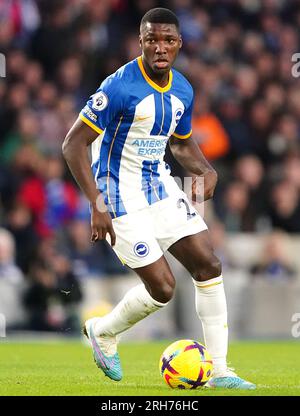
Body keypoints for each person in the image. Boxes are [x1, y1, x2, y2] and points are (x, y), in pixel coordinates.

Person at [62, 8, 255, 389]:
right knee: (163, 289)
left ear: (179, 44)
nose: (160, 47)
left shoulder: (183, 88)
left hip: (160, 186)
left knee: (209, 265)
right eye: (152, 39)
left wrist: (206, 170)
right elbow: (72, 145)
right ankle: (102, 332)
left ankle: (220, 371)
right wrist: (96, 202)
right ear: (141, 42)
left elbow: (180, 143)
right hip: (116, 195)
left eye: (168, 40)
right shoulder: (119, 86)